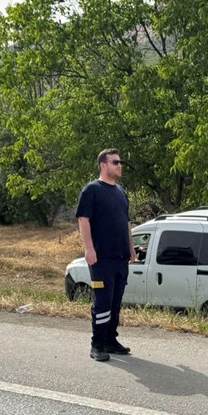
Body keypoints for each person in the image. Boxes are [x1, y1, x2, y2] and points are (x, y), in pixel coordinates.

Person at [75, 148, 136, 361]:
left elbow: (126, 223)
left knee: (115, 301)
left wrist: (131, 248)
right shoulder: (91, 190)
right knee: (103, 301)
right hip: (101, 258)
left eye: (120, 162)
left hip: (121, 258)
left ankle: (111, 340)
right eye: (116, 162)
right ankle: (97, 344)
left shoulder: (120, 192)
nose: (120, 166)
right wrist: (89, 248)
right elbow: (83, 220)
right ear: (104, 165)